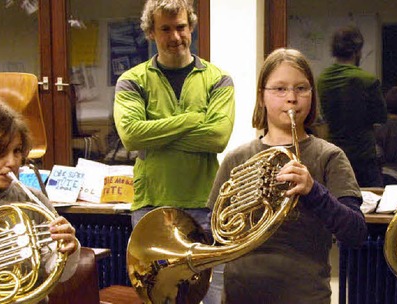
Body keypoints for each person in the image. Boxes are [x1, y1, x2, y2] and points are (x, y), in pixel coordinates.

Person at [207, 48, 367, 303]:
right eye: (279, 89)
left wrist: (314, 191)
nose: (291, 98)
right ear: (262, 96)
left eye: (301, 88)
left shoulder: (329, 156)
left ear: (312, 96)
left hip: (304, 296)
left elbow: (356, 232)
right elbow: (214, 230)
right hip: (241, 296)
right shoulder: (237, 158)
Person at [113, 0, 235, 230]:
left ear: (191, 27)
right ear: (151, 32)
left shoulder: (219, 79)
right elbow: (131, 136)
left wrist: (155, 135)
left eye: (180, 27)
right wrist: (193, 119)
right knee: (153, 269)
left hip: (204, 201)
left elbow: (217, 138)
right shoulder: (131, 81)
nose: (175, 37)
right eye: (165, 29)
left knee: (205, 268)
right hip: (151, 203)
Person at [0, 96, 81, 303]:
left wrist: (68, 248)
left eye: (17, 151)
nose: (12, 162)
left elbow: (58, 272)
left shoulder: (33, 199)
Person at [317, 24, 387, 187]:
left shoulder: (322, 79)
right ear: (358, 51)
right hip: (363, 154)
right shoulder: (368, 80)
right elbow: (381, 117)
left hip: (334, 151)